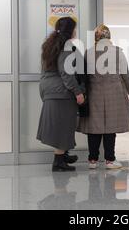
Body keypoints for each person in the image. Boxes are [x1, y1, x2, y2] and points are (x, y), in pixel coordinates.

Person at [78, 24, 129, 169]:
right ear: (109, 37)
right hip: (114, 92)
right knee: (111, 127)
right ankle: (110, 160)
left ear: (96, 38)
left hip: (94, 92)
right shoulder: (118, 52)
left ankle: (92, 160)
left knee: (94, 127)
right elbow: (126, 75)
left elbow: (84, 75)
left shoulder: (88, 52)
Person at [37, 17, 86, 172]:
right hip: (61, 91)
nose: (76, 31)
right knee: (63, 126)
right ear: (71, 30)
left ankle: (63, 155)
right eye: (75, 28)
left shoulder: (50, 44)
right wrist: (78, 92)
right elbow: (66, 72)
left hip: (49, 89)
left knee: (61, 125)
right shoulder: (66, 47)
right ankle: (58, 162)